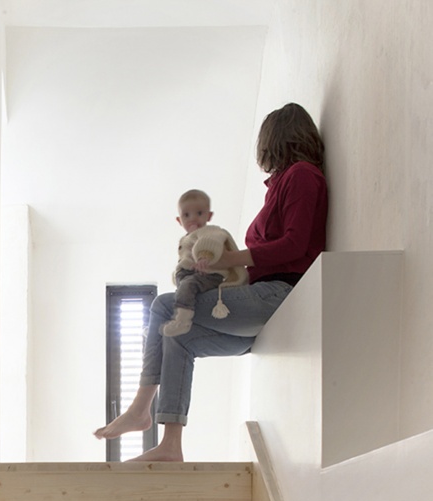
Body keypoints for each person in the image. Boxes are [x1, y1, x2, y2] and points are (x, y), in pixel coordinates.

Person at [94, 102, 328, 461]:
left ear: (274, 140)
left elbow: (295, 244)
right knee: (178, 336)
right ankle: (170, 446)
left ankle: (141, 409)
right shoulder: (284, 182)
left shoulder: (301, 175)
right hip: (259, 300)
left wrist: (231, 259)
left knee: (163, 305)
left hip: (279, 296)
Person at [164, 190, 249, 336]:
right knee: (179, 296)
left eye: (199, 213)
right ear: (179, 220)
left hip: (207, 273)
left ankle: (183, 322)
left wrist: (205, 256)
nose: (193, 219)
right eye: (186, 215)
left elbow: (211, 242)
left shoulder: (209, 231)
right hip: (188, 274)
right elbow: (185, 260)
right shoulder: (184, 240)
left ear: (208, 216)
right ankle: (159, 325)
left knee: (188, 287)